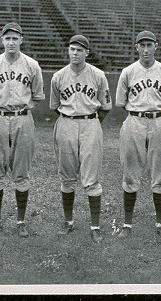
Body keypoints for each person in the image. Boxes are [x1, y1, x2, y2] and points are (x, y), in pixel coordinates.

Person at [0, 23, 44, 236]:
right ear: (2, 41)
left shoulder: (32, 65)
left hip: (23, 118)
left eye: (15, 38)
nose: (11, 42)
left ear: (21, 40)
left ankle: (21, 221)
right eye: (7, 38)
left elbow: (37, 95)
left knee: (22, 170)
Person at [114, 31, 161, 238]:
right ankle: (127, 225)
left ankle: (160, 223)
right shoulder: (128, 72)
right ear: (137, 47)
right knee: (130, 173)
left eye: (149, 45)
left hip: (159, 120)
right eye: (142, 45)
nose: (146, 49)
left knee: (159, 174)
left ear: (155, 46)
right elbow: (121, 103)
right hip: (134, 120)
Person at [51, 34, 110, 242]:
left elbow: (105, 106)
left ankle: (95, 226)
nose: (75, 53)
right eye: (72, 49)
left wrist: (90, 123)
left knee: (92, 177)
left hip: (90, 123)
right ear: (68, 51)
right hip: (66, 122)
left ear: (86, 52)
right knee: (67, 176)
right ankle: (68, 222)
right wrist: (71, 121)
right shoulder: (58, 76)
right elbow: (54, 106)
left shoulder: (98, 75)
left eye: (79, 50)